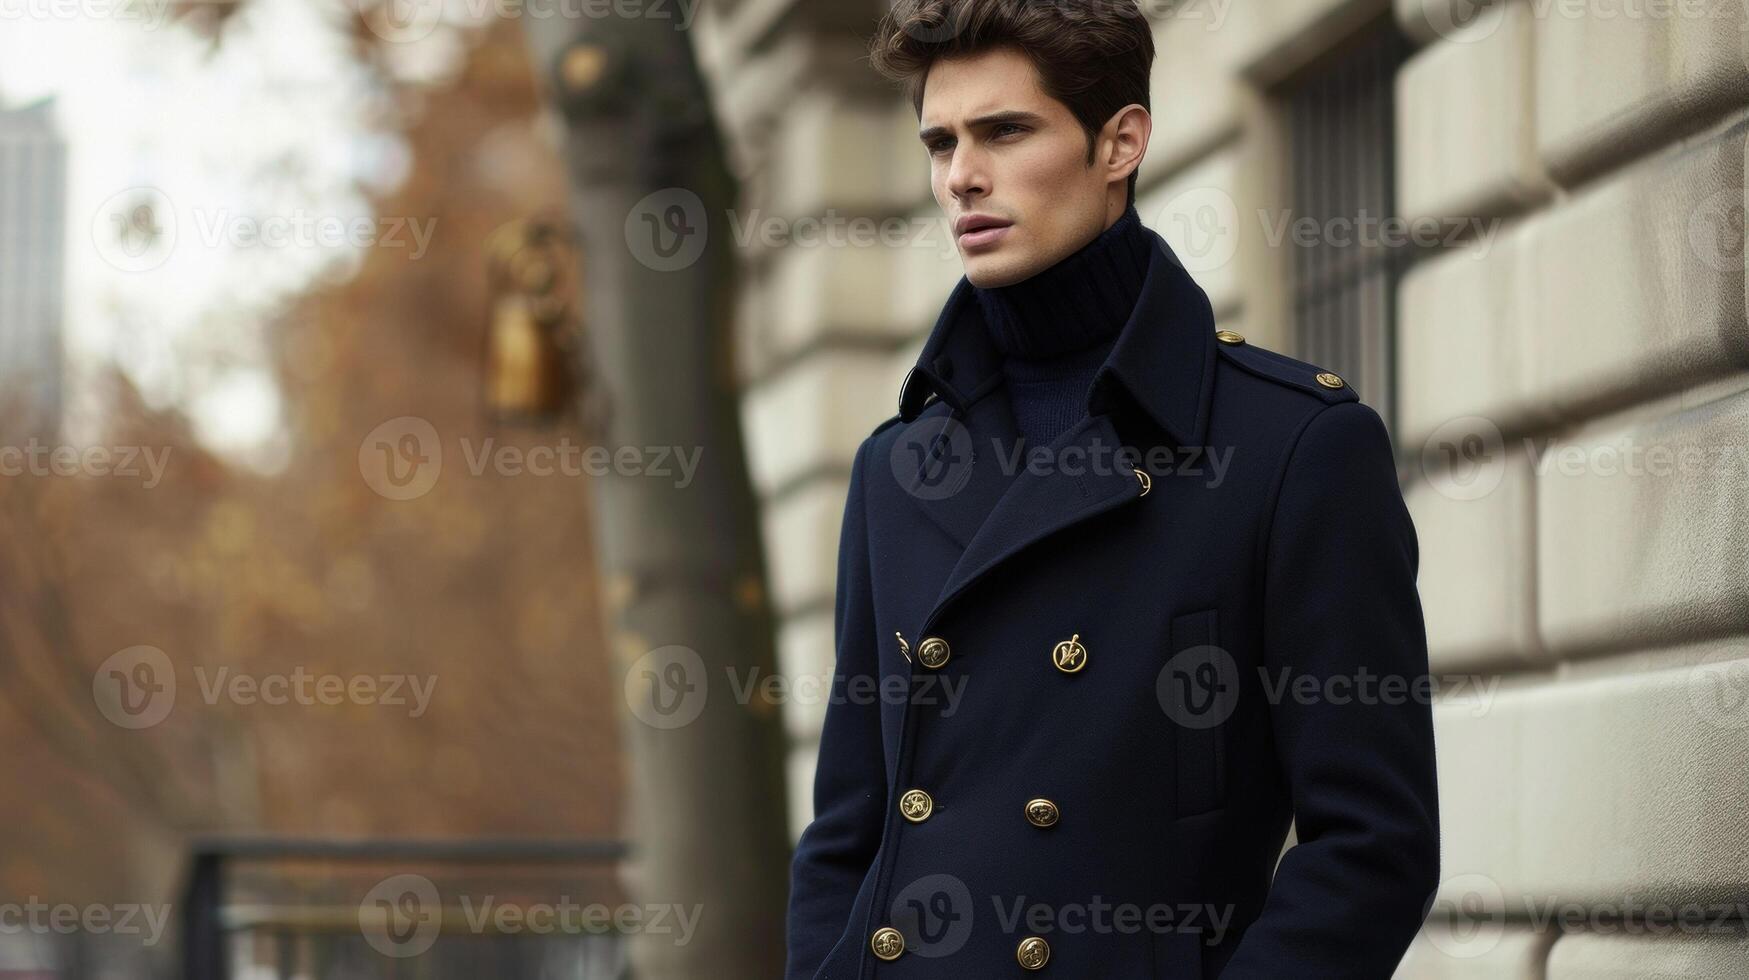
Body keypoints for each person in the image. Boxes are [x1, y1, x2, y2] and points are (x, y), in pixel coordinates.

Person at [785, 1, 1441, 976]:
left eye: (1006, 131)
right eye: (941, 141)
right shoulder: (899, 465)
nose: (961, 173)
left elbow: (1372, 848)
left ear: (1120, 142)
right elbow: (846, 829)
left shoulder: (1291, 446)